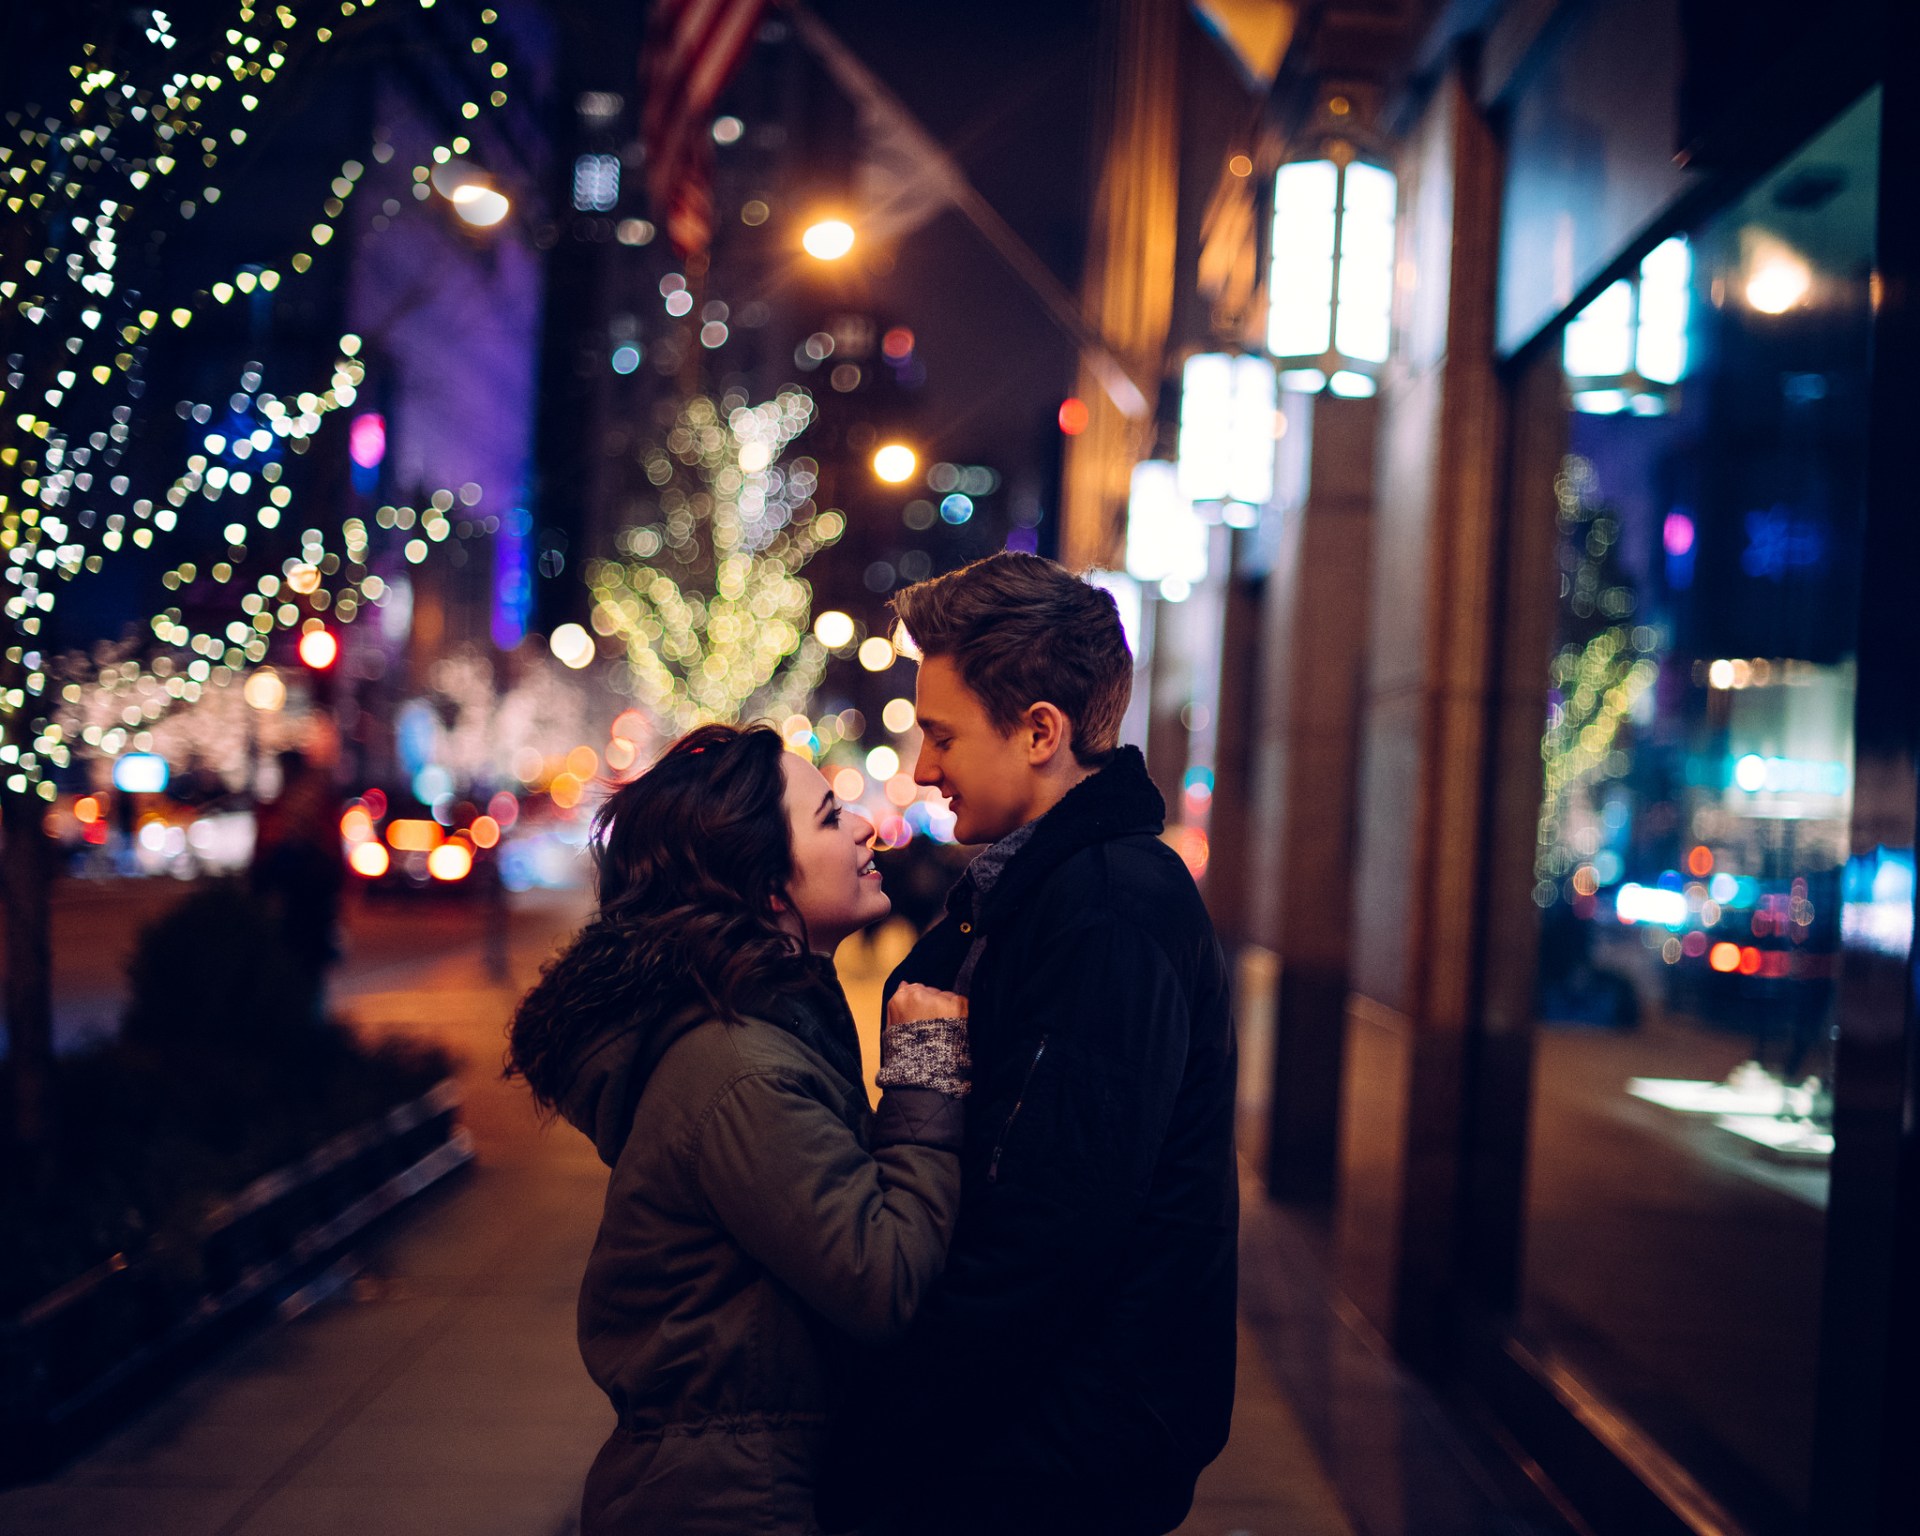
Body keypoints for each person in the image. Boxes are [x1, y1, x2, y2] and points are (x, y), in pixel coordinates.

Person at [819, 552, 1239, 1536]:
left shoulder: (1105, 908)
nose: (924, 768)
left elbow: (1044, 1227)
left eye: (942, 735)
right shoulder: (1032, 893)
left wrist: (885, 1431)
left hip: (1048, 1461)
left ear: (1040, 730)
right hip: (1024, 1442)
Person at [506, 723, 972, 1536]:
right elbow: (883, 1275)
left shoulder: (756, 1035)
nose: (864, 824)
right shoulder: (740, 1074)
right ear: (765, 888)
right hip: (733, 1503)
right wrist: (927, 1066)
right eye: (830, 817)